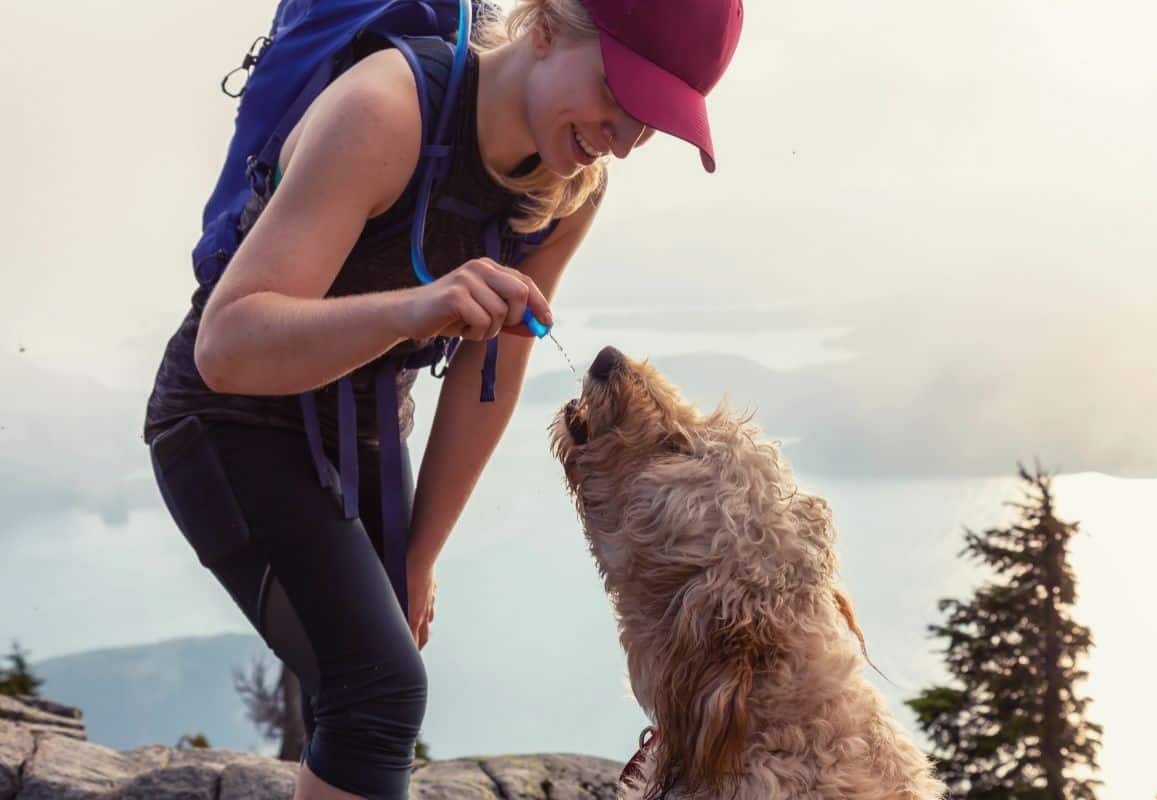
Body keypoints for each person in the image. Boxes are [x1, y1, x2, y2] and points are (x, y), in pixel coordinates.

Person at [142, 0, 743, 797]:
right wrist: (419, 308)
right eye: (620, 96)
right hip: (227, 419)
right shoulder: (384, 110)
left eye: (653, 121)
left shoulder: (570, 189)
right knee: (377, 692)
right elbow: (228, 348)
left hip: (361, 423)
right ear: (543, 29)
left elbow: (488, 378)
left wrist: (421, 556)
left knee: (364, 693)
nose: (626, 140)